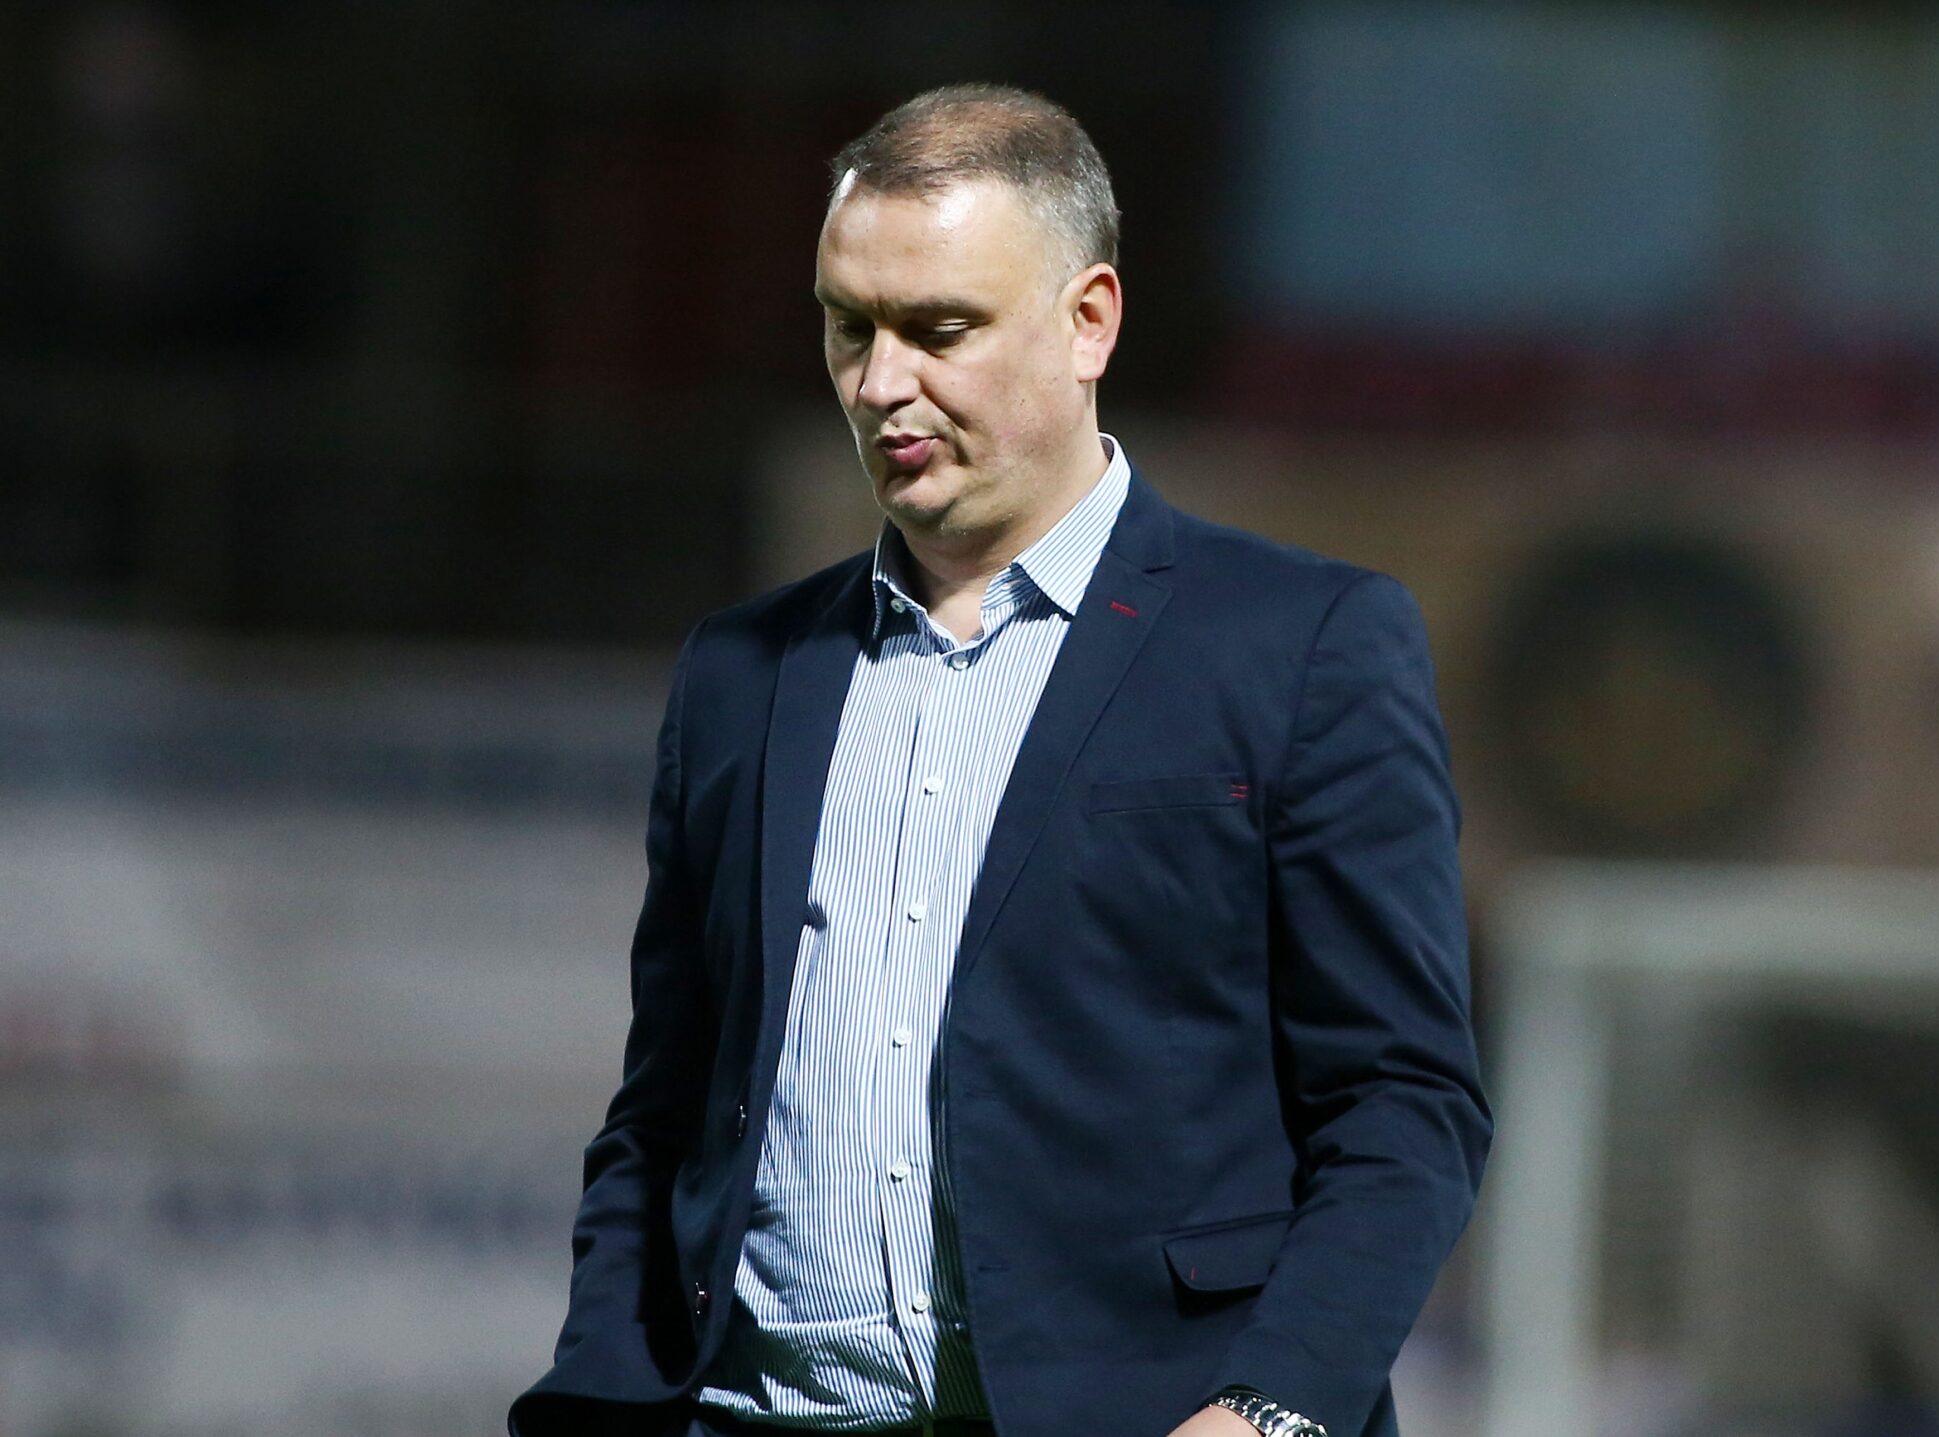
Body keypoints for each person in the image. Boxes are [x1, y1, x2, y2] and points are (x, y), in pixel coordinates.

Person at [508, 84, 1490, 1437]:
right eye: (847, 326)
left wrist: (1269, 1415)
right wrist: (596, 1399)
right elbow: (664, 1113)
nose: (878, 383)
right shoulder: (741, 674)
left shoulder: (1303, 643)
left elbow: (1402, 1104)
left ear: (1090, 320)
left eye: (938, 330)